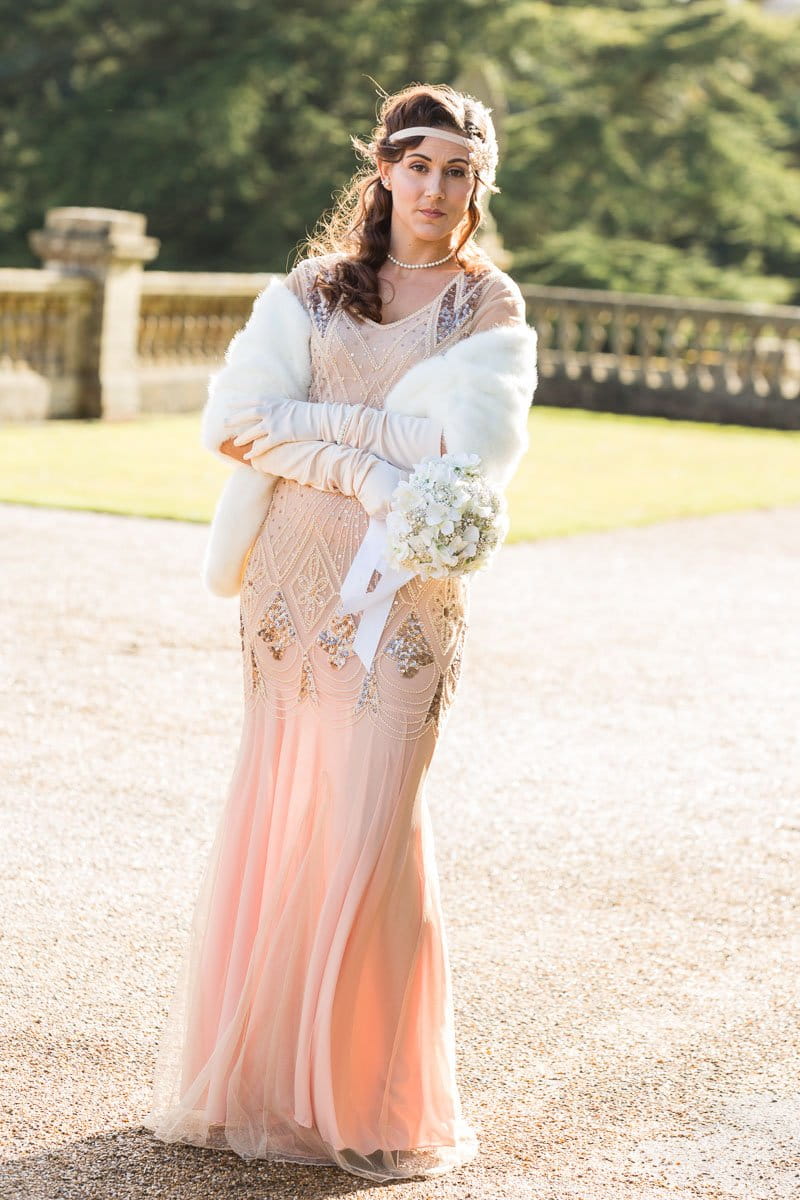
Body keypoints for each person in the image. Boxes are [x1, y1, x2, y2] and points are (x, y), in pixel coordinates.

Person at [143, 82, 537, 1184]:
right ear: (382, 170)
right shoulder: (310, 291)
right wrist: (364, 457)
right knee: (281, 812)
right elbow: (233, 426)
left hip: (400, 590)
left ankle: (363, 1094)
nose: (434, 187)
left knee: (374, 822)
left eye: (457, 170)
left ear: (477, 185)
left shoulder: (486, 307)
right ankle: (259, 1085)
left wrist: (322, 432)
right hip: (289, 587)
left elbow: (462, 459)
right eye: (417, 164)